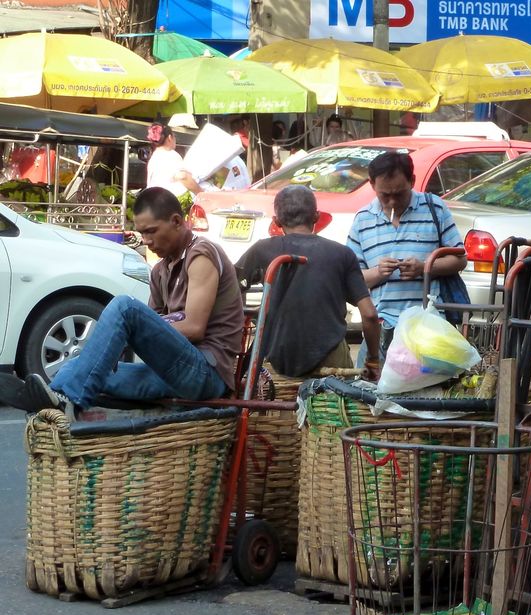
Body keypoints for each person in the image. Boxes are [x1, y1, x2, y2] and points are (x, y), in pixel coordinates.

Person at [0, 187, 244, 417]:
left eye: (151, 231)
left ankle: (68, 398)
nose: (145, 240)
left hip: (206, 375)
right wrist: (115, 345)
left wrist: (131, 333)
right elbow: (154, 328)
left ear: (177, 222)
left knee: (125, 307)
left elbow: (194, 327)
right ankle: (54, 402)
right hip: (170, 374)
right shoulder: (160, 271)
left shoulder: (201, 255)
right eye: (141, 233)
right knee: (71, 368)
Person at [235, 185, 381, 380]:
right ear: (317, 216)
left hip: (278, 359)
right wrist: (373, 360)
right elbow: (369, 314)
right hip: (331, 358)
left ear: (276, 221)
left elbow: (229, 288)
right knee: (334, 400)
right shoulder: (341, 254)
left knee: (280, 400)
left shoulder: (261, 250)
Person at [347, 150, 466, 359]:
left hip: (428, 328)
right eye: (385, 195)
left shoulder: (434, 208)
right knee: (370, 379)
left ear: (412, 181)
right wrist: (378, 272)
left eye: (399, 194)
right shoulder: (363, 219)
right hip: (381, 328)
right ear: (372, 185)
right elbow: (352, 277)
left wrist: (424, 268)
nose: (392, 202)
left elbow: (459, 259)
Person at [145, 122, 188, 197]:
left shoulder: (154, 156)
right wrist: (199, 191)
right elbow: (183, 176)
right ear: (170, 138)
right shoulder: (171, 155)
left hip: (154, 198)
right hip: (169, 199)